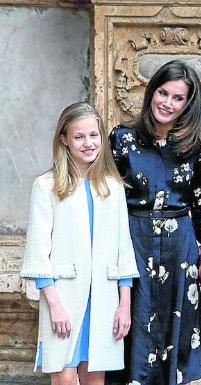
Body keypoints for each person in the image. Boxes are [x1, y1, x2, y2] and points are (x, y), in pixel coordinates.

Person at [108, 60, 201, 385]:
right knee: (134, 329)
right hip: (135, 245)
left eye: (177, 98)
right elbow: (105, 201)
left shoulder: (193, 147)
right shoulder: (122, 138)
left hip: (179, 253)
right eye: (163, 92)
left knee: (177, 339)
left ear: (188, 104)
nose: (167, 103)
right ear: (151, 91)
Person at [20, 102, 139, 385]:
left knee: (95, 378)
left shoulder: (112, 187)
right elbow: (38, 252)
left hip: (104, 298)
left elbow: (124, 251)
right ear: (64, 139)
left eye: (94, 135)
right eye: (79, 136)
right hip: (64, 297)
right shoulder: (47, 186)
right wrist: (55, 305)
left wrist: (124, 305)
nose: (89, 143)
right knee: (63, 376)